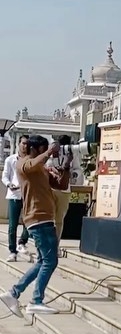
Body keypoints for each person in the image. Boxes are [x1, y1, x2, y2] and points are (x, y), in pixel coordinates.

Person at [0, 135, 72, 316]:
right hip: (37, 218)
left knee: (42, 261)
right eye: (45, 149)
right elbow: (31, 165)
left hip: (46, 218)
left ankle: (13, 293)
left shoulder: (41, 168)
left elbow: (61, 185)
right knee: (50, 260)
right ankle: (36, 300)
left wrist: (66, 166)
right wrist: (49, 152)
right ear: (37, 148)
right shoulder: (23, 164)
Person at [2, 135, 29, 260]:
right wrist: (9, 184)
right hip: (14, 194)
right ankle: (12, 251)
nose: (25, 146)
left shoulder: (31, 160)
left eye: (27, 144)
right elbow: (5, 176)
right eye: (23, 143)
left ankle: (22, 242)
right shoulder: (10, 159)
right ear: (19, 144)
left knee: (28, 222)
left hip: (28, 194)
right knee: (13, 225)